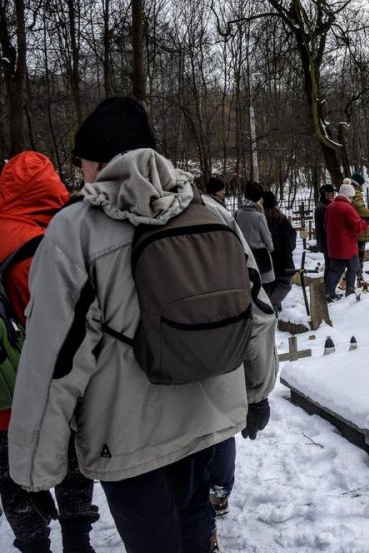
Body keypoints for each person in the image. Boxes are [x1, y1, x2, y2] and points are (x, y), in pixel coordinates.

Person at [8, 97, 277, 553]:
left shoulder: (74, 230)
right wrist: (257, 392)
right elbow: (258, 312)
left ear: (95, 161)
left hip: (127, 437)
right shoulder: (213, 213)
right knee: (194, 521)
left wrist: (34, 469)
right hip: (205, 416)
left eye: (82, 162)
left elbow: (52, 360)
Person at [0, 152, 99, 553]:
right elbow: (55, 324)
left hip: (0, 393)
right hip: (41, 384)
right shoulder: (40, 244)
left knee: (11, 474)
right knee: (71, 460)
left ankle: (33, 543)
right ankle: (77, 542)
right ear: (51, 190)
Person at [325, 183, 369, 299]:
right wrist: (366, 222)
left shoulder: (330, 206)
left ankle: (328, 292)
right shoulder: (347, 208)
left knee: (335, 270)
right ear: (349, 196)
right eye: (352, 197)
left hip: (334, 245)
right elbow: (357, 227)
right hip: (347, 245)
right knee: (353, 267)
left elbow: (325, 225)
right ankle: (350, 291)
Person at [235, 181, 275, 292]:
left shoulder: (236, 214)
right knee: (264, 290)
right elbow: (268, 239)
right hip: (260, 258)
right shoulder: (259, 217)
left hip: (244, 256)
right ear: (258, 199)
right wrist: (271, 248)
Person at [261, 191, 297, 312]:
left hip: (267, 259)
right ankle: (271, 306)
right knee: (284, 284)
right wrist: (289, 249)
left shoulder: (262, 218)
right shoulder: (280, 218)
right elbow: (292, 236)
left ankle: (274, 307)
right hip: (283, 259)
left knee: (272, 284)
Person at [314, 184, 336, 271]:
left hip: (327, 241)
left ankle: (329, 283)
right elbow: (327, 226)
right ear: (325, 193)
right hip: (326, 241)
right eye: (331, 192)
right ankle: (329, 284)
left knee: (330, 265)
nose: (333, 194)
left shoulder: (325, 205)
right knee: (330, 267)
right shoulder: (322, 208)